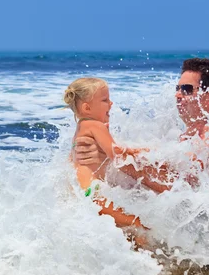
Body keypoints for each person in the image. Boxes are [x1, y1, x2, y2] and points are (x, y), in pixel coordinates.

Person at [74, 58, 209, 197]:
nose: (177, 94)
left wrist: (118, 158)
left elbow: (181, 187)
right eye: (177, 88)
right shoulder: (191, 134)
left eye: (187, 89)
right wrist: (107, 155)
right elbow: (168, 170)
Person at [63, 77, 149, 244]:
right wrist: (147, 151)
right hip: (94, 193)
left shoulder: (81, 128)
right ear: (87, 107)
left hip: (83, 193)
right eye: (105, 100)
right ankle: (155, 267)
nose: (111, 104)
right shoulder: (96, 126)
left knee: (125, 230)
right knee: (139, 225)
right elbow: (116, 154)